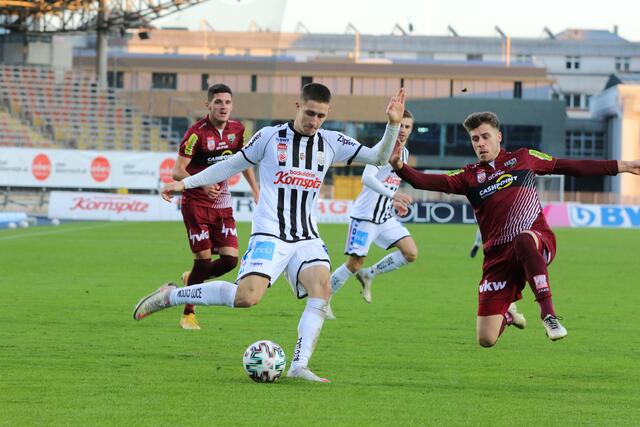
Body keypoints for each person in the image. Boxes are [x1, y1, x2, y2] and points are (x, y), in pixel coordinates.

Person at [133, 83, 406, 381]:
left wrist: (392, 125)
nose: (314, 121)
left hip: (306, 236)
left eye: (321, 116)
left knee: (322, 290)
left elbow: (379, 158)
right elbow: (230, 166)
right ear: (297, 106)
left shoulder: (331, 142)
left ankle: (299, 366)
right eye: (310, 113)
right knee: (247, 298)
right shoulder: (269, 137)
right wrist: (184, 184)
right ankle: (172, 295)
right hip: (270, 234)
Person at [389, 111, 640, 347]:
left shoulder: (523, 158)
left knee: (523, 240)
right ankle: (508, 314)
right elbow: (424, 180)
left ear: (498, 136)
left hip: (536, 240)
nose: (480, 144)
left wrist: (623, 165)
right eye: (475, 139)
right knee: (486, 339)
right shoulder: (468, 176)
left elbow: (571, 166)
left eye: (485, 136)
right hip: (498, 259)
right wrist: (400, 167)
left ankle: (549, 315)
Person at [172, 83, 260, 330]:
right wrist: (201, 186)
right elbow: (177, 171)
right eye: (218, 102)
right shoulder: (195, 134)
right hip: (196, 203)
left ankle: (192, 280)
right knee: (202, 260)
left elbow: (244, 162)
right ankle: (188, 313)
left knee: (231, 261)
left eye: (228, 102)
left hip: (221, 202)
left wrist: (255, 189)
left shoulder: (237, 130)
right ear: (207, 104)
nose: (223, 107)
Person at [327, 110, 417, 319]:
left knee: (410, 253)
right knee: (354, 263)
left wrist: (394, 203)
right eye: (400, 125)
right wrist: (393, 195)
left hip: (384, 216)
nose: (403, 130)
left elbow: (389, 181)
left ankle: (370, 274)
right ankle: (322, 299)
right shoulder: (383, 149)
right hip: (365, 216)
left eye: (407, 126)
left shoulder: (403, 152)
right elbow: (367, 178)